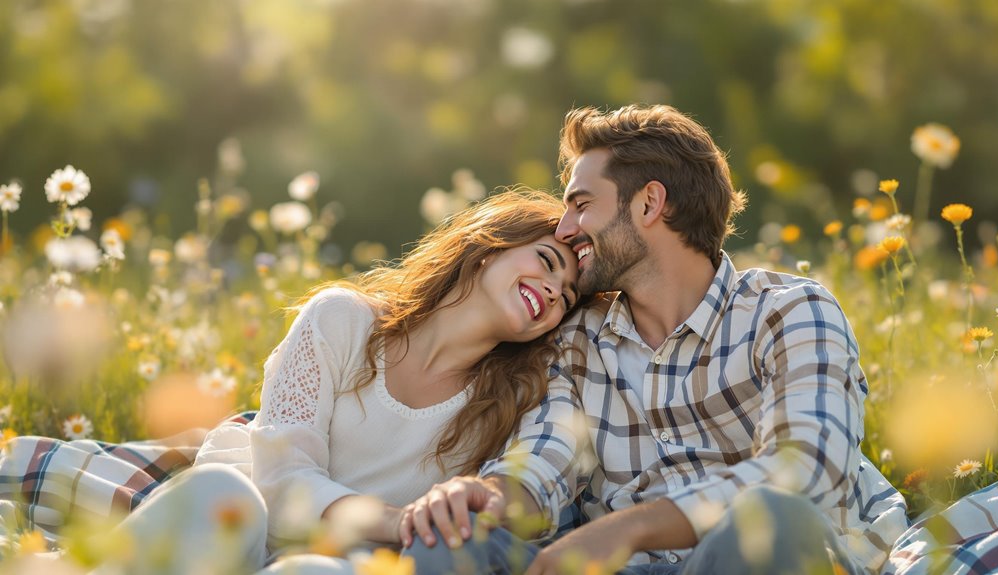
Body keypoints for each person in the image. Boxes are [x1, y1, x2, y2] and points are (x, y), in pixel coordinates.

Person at [401, 105, 911, 575]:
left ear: (649, 202)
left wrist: (633, 526)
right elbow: (544, 458)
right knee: (448, 540)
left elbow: (805, 470)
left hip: (761, 559)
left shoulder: (788, 311)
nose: (564, 227)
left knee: (769, 518)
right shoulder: (577, 341)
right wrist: (489, 495)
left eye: (581, 204)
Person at [0, 188, 582, 574]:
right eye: (548, 263)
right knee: (222, 492)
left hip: (335, 562)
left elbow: (522, 489)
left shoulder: (505, 406)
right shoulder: (343, 320)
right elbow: (281, 482)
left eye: (568, 297)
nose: (555, 292)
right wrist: (396, 518)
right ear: (488, 248)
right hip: (236, 527)